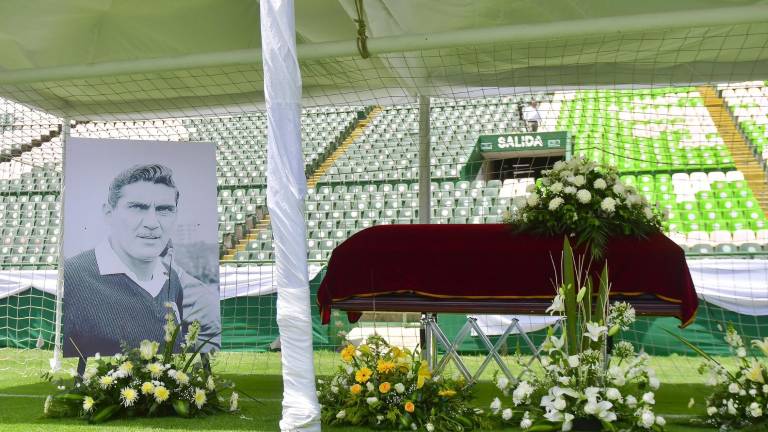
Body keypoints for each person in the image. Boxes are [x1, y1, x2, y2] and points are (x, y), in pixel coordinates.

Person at [63, 164, 220, 358]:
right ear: (108, 213)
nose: (152, 223)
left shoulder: (173, 280)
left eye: (164, 209)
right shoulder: (72, 276)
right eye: (137, 207)